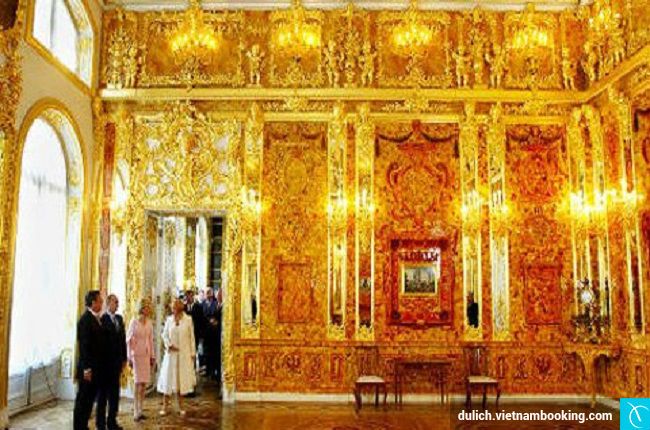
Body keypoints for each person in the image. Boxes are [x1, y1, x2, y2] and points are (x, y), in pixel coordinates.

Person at [157, 298, 197, 416]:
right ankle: (165, 406)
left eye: (174, 308)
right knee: (168, 379)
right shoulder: (169, 320)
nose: (173, 310)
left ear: (180, 308)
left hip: (183, 354)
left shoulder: (188, 320)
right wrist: (169, 345)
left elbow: (192, 337)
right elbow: (164, 335)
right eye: (172, 308)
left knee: (181, 381)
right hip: (171, 355)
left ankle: (181, 406)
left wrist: (193, 354)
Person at [73, 290, 107, 430]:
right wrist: (86, 368)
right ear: (93, 303)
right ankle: (79, 427)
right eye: (100, 301)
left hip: (96, 368)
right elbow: (84, 347)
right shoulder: (85, 320)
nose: (102, 303)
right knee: (83, 400)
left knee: (89, 400)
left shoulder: (96, 318)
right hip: (88, 369)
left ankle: (84, 425)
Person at [96, 295, 127, 430]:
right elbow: (100, 344)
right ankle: (101, 424)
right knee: (103, 396)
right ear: (108, 304)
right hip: (105, 365)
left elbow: (123, 340)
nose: (117, 305)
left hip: (117, 364)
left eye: (118, 302)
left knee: (114, 395)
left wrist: (124, 358)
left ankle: (112, 422)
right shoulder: (102, 320)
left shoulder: (119, 319)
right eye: (115, 302)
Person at [126, 299, 155, 422]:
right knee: (137, 383)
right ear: (142, 308)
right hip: (136, 355)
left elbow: (151, 340)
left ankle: (141, 410)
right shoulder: (134, 321)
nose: (149, 309)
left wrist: (152, 356)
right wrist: (129, 356)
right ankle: (135, 411)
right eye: (147, 307)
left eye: (149, 307)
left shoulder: (149, 323)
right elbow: (128, 340)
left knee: (143, 384)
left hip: (146, 355)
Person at [184, 289, 203, 397]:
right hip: (184, 338)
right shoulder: (183, 308)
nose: (189, 298)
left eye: (190, 296)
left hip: (194, 336)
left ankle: (192, 384)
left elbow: (200, 322)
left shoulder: (198, 307)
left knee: (193, 358)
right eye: (187, 296)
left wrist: (200, 337)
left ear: (193, 297)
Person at [202, 287, 222, 385]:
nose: (208, 294)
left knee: (215, 353)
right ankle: (208, 370)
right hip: (207, 332)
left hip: (215, 332)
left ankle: (214, 371)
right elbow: (202, 317)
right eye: (207, 293)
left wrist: (215, 321)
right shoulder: (202, 304)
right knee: (207, 352)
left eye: (210, 292)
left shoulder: (215, 303)